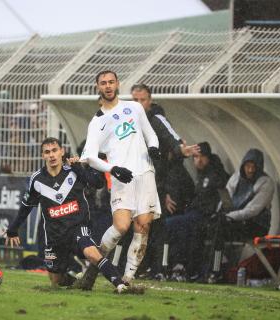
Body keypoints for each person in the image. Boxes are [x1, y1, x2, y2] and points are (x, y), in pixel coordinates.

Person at [4, 137, 140, 293]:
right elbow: (26, 207)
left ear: (62, 151)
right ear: (43, 156)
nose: (52, 155)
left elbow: (98, 183)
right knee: (56, 281)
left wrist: (79, 168)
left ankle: (120, 284)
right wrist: (13, 229)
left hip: (78, 226)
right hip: (55, 235)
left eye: (55, 150)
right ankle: (77, 281)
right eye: (47, 152)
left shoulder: (74, 171)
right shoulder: (37, 180)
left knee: (91, 252)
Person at [77, 70, 161, 288]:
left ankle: (128, 279)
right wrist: (113, 169)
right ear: (98, 87)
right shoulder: (97, 122)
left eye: (111, 82)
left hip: (145, 173)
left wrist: (153, 148)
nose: (108, 86)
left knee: (142, 227)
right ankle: (95, 267)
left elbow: (150, 134)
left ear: (117, 84)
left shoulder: (134, 107)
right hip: (122, 177)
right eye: (103, 83)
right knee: (122, 226)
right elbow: (89, 157)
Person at [131, 84, 199, 280]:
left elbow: (172, 137)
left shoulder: (156, 119)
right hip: (133, 182)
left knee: (156, 228)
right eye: (135, 100)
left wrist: (181, 149)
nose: (138, 104)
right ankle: (137, 267)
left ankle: (158, 269)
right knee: (132, 226)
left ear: (150, 101)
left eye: (142, 100)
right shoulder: (126, 120)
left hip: (154, 184)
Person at [208, 148, 275, 282]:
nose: (250, 170)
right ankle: (210, 269)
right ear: (243, 166)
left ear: (259, 168)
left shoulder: (266, 183)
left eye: (253, 167)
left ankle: (214, 271)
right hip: (235, 221)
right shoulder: (236, 177)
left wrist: (229, 217)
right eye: (247, 166)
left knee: (219, 228)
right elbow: (226, 198)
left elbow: (252, 210)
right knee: (210, 226)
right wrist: (220, 213)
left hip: (255, 225)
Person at [166, 142, 229, 282]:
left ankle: (179, 266)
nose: (198, 160)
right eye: (195, 157)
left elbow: (219, 200)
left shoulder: (215, 175)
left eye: (201, 157)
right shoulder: (200, 176)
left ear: (208, 157)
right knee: (177, 226)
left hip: (206, 217)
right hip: (194, 215)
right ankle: (179, 266)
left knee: (171, 225)